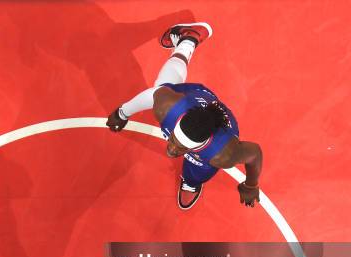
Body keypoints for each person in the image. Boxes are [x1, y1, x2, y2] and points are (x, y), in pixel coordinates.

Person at [106, 23, 263, 210]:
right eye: (172, 139)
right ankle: (188, 40)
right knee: (163, 84)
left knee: (199, 170)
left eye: (179, 147)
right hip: (193, 97)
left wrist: (251, 185)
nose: (170, 150)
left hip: (218, 128)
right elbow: (153, 93)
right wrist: (122, 112)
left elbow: (254, 154)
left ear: (196, 146)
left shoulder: (223, 154)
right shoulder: (168, 106)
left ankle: (191, 181)